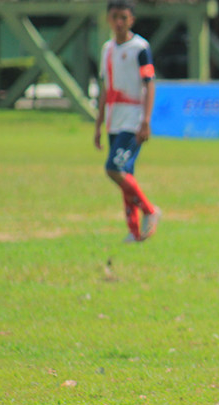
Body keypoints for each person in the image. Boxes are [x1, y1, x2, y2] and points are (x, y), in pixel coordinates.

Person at [94, 0, 161, 243]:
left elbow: (149, 84)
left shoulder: (140, 48)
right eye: (115, 17)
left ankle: (150, 210)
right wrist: (98, 123)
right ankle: (134, 231)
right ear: (108, 19)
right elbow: (105, 88)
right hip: (114, 118)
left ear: (132, 19)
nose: (119, 22)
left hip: (133, 118)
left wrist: (146, 120)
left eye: (123, 17)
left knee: (114, 169)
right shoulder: (107, 49)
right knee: (125, 174)